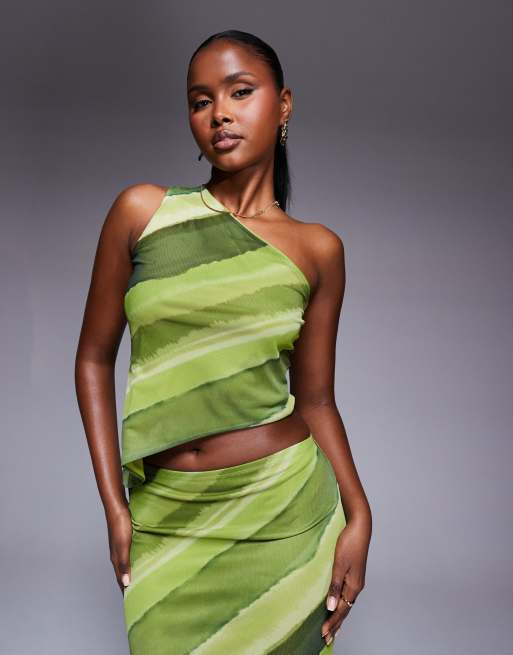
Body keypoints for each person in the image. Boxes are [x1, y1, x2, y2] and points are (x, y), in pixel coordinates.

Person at [75, 29, 372, 654]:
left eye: (240, 92)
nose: (220, 114)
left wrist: (360, 514)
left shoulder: (318, 249)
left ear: (283, 105)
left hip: (282, 516)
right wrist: (114, 506)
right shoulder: (142, 213)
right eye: (201, 100)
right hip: (166, 517)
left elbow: (317, 400)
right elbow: (93, 359)